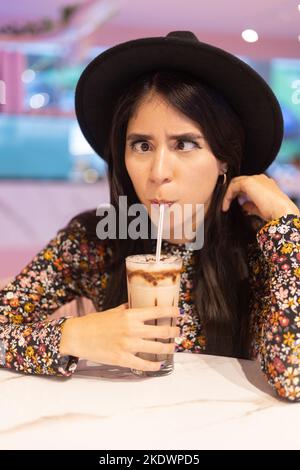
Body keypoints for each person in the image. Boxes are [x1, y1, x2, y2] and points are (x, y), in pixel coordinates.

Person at [0, 31, 299, 401]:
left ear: (224, 159)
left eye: (185, 144)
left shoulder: (259, 249)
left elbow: (293, 375)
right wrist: (76, 335)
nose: (158, 172)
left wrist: (289, 227)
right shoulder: (95, 240)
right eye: (141, 145)